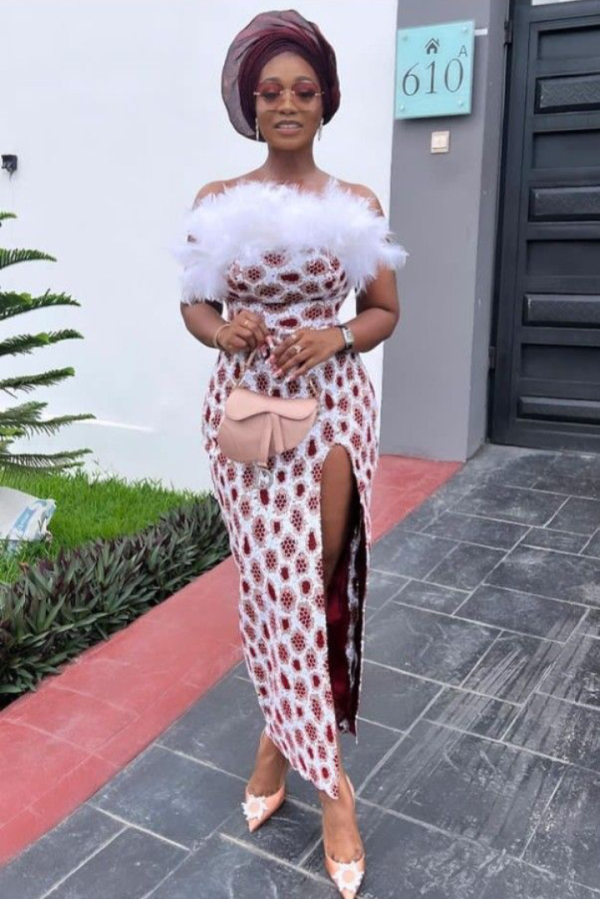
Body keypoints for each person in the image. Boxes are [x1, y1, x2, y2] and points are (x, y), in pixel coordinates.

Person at [171, 9, 407, 897]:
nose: (286, 104)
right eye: (269, 90)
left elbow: (383, 311)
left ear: (325, 100)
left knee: (316, 576)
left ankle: (304, 758)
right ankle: (308, 759)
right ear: (248, 102)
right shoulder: (217, 200)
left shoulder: (356, 206)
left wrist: (335, 336)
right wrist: (220, 331)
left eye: (303, 90)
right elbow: (193, 303)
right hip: (243, 416)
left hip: (333, 410)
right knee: (270, 582)